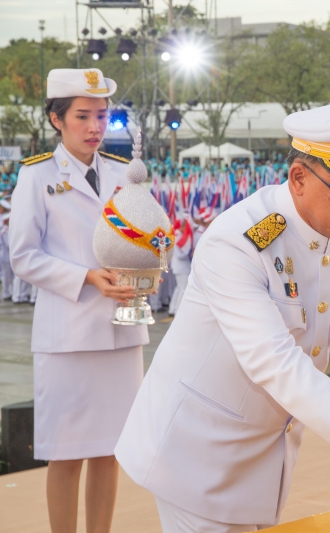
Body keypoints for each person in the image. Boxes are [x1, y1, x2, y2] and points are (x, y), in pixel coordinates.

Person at [115, 101, 330, 532]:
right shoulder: (239, 241)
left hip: (266, 454)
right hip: (196, 449)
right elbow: (271, 358)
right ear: (299, 178)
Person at [9, 68, 147, 533]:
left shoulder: (123, 174)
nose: (94, 127)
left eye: (102, 116)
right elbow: (24, 257)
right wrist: (87, 276)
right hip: (67, 334)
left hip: (121, 329)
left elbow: (139, 239)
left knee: (111, 451)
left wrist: (142, 266)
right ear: (56, 119)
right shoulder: (37, 176)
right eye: (83, 116)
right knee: (65, 454)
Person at [168, 212, 194, 317]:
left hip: (180, 267)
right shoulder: (178, 235)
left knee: (179, 288)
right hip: (180, 267)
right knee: (182, 289)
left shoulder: (178, 234)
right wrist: (190, 253)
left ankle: (173, 309)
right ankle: (177, 311)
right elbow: (178, 255)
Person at [0, 199, 11, 300]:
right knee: (6, 275)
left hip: (6, 254)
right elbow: (8, 244)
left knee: (8, 276)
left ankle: (8, 292)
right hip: (5, 255)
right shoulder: (5, 229)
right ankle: (6, 293)